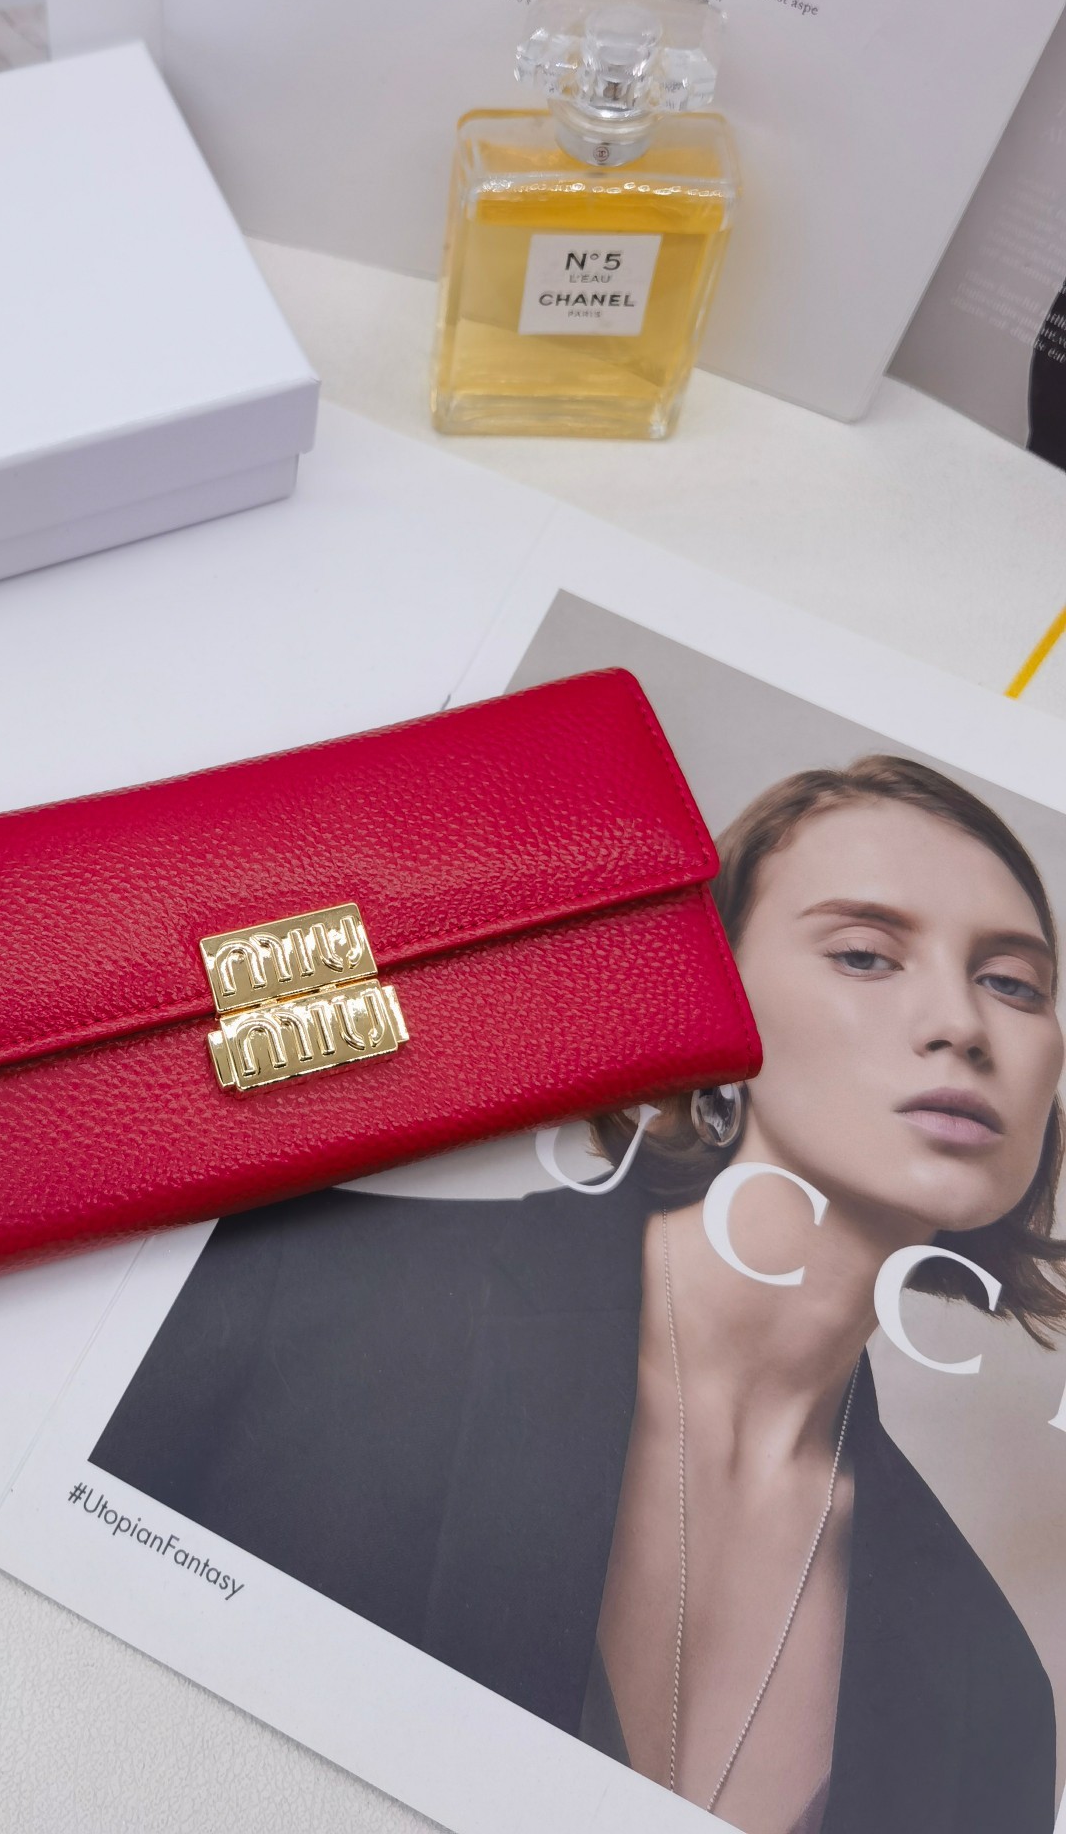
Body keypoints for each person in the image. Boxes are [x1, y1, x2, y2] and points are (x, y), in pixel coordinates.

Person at [94, 755, 1064, 1834]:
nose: (960, 1024)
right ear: (709, 992)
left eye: (1013, 983)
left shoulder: (991, 1689)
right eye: (866, 955)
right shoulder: (303, 1289)